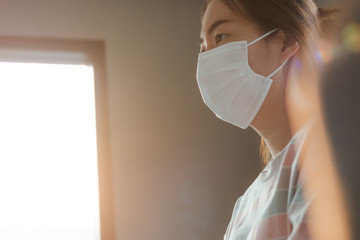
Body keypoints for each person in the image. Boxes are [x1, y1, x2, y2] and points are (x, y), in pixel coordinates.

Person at [196, 0, 336, 239]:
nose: (208, 59)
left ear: (285, 42)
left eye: (220, 37)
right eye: (203, 48)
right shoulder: (245, 205)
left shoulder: (329, 158)